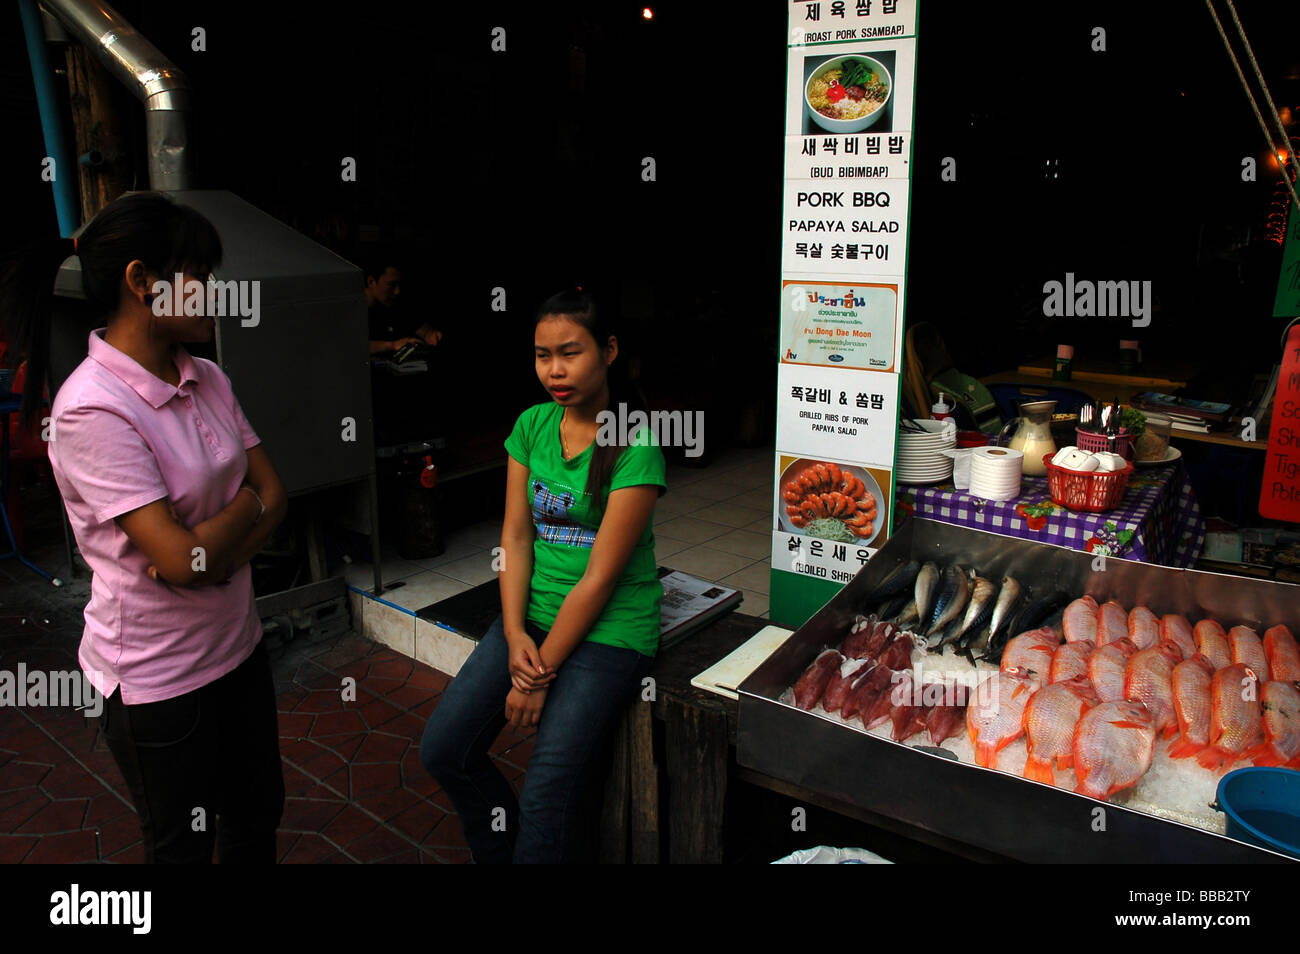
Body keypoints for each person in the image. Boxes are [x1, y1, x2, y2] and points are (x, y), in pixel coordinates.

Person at [0, 191, 288, 863]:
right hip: (160, 683)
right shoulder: (91, 410)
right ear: (140, 281)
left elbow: (275, 493)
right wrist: (240, 517)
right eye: (200, 275)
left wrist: (217, 541)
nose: (216, 293)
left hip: (238, 649)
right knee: (181, 847)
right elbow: (187, 553)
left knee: (254, 822)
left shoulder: (208, 376)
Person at [419, 287, 666, 863]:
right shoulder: (531, 425)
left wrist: (535, 677)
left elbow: (600, 579)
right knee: (445, 750)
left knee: (548, 797)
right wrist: (512, 634)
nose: (554, 370)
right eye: (541, 354)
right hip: (530, 618)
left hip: (611, 629)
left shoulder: (636, 443)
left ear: (608, 351)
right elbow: (515, 537)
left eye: (570, 352)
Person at [364, 253, 442, 355]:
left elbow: (423, 329)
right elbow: (346, 346)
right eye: (392, 285)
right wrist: (392, 345)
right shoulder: (349, 309)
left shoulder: (396, 306)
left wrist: (431, 335)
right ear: (371, 282)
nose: (397, 291)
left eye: (400, 284)